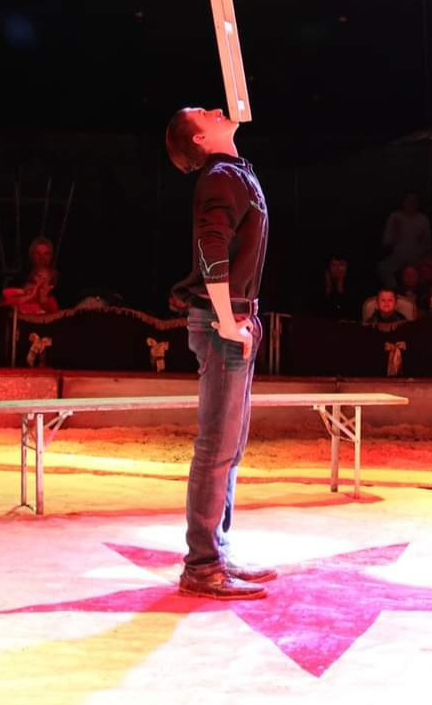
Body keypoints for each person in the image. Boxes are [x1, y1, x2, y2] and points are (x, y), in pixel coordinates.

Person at [165, 106, 274, 601]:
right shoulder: (219, 178)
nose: (215, 109)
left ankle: (217, 552)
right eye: (203, 113)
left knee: (230, 447)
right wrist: (228, 321)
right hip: (221, 322)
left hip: (233, 318)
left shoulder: (234, 171)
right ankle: (202, 565)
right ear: (199, 138)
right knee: (215, 447)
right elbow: (211, 249)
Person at [379, 191, 432, 287]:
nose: (411, 203)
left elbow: (427, 245)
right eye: (408, 200)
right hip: (398, 256)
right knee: (384, 268)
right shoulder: (395, 217)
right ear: (403, 202)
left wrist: (422, 243)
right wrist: (396, 232)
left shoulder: (423, 219)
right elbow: (387, 241)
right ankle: (393, 291)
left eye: (414, 201)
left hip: (417, 257)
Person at [1, 236, 60, 315]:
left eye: (46, 254)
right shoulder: (18, 280)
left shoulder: (56, 286)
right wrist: (30, 295)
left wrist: (43, 300)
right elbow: (5, 305)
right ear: (32, 256)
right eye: (38, 253)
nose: (42, 258)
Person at [314, 253, 356, 320]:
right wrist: (328, 286)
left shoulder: (353, 284)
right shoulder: (320, 282)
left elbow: (350, 311)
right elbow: (318, 309)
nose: (337, 268)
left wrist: (340, 287)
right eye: (334, 265)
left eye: (341, 265)